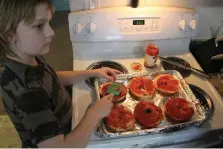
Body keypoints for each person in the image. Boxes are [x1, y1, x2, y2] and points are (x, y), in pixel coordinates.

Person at [0, 0, 120, 148]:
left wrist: (91, 73)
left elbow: (51, 78)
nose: (51, 32)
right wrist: (94, 113)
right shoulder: (28, 94)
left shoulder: (26, 58)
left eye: (48, 23)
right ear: (9, 35)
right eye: (39, 25)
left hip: (62, 124)